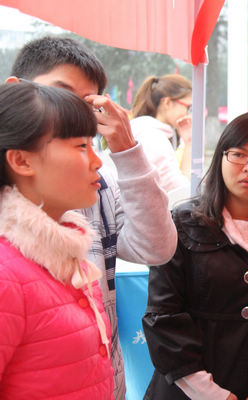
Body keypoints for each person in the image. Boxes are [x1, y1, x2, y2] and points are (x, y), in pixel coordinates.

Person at [8, 36, 178, 400]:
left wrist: (128, 151)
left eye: (86, 103)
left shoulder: (97, 188)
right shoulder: (8, 268)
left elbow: (157, 247)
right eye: (60, 94)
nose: (74, 113)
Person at [142, 110, 248, 400]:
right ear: (221, 156)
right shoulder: (181, 223)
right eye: (239, 154)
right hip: (186, 392)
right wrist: (212, 394)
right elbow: (162, 316)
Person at [0, 81, 113, 398]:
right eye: (81, 146)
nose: (97, 161)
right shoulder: (6, 274)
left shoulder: (67, 255)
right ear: (22, 161)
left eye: (93, 144)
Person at [130, 74, 192, 194]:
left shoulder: (150, 132)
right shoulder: (152, 137)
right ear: (167, 103)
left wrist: (189, 142)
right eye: (188, 107)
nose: (189, 114)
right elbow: (180, 191)